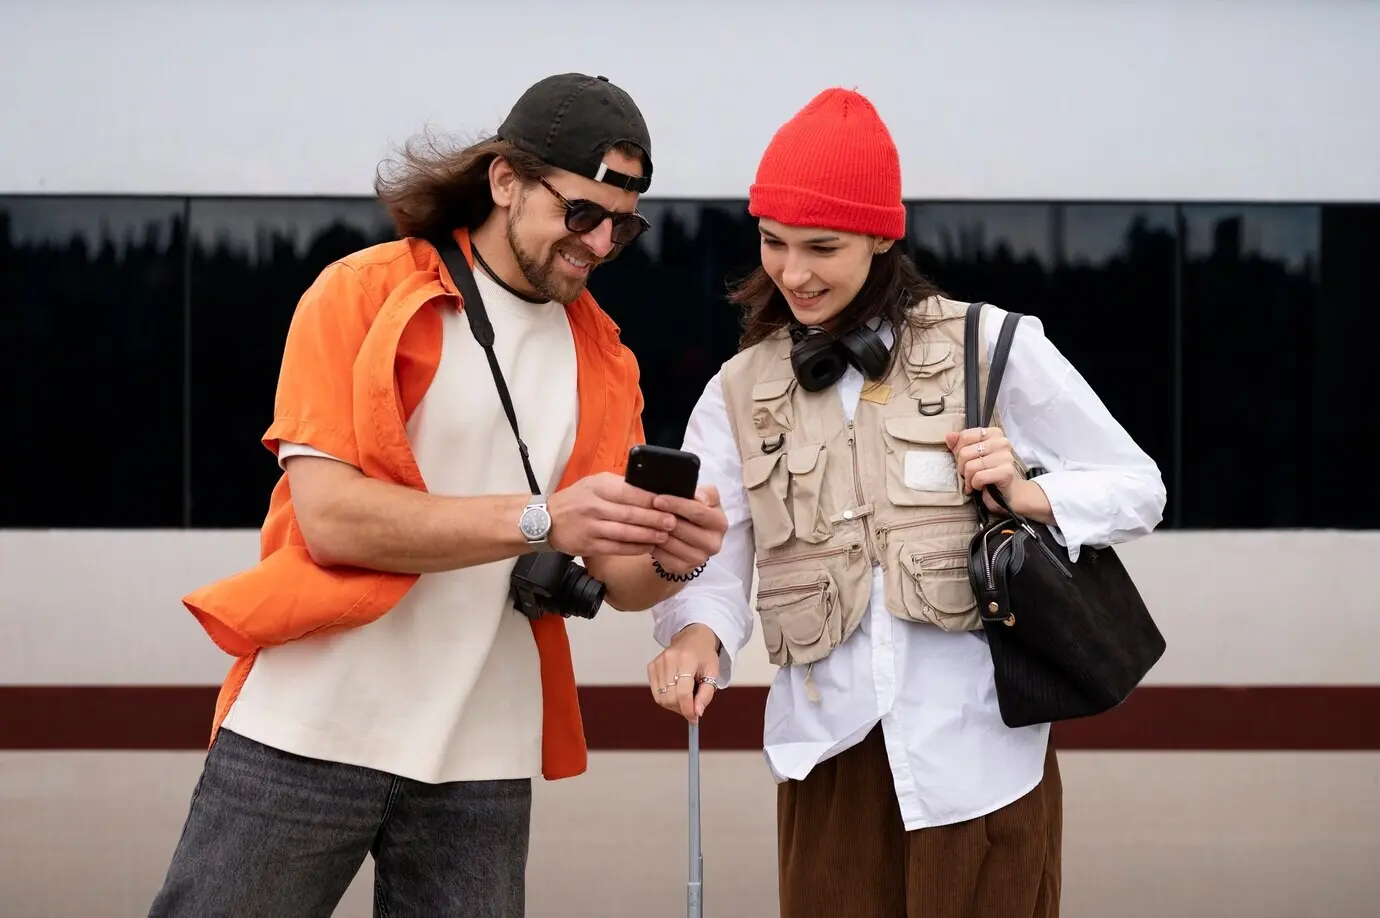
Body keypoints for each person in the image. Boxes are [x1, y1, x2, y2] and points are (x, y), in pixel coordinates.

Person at [148, 72, 728, 918]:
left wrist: (676, 558)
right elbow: (334, 520)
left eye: (622, 226)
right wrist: (539, 520)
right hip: (308, 729)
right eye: (580, 215)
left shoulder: (603, 354)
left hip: (482, 758)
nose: (601, 245)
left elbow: (616, 574)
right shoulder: (360, 292)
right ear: (504, 180)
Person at [646, 87, 1166, 918]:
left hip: (984, 760)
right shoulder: (736, 390)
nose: (793, 272)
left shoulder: (992, 345)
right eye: (773, 243)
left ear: (883, 236)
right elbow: (714, 555)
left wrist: (1031, 492)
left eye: (822, 246)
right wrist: (698, 636)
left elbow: (1138, 487)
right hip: (828, 759)